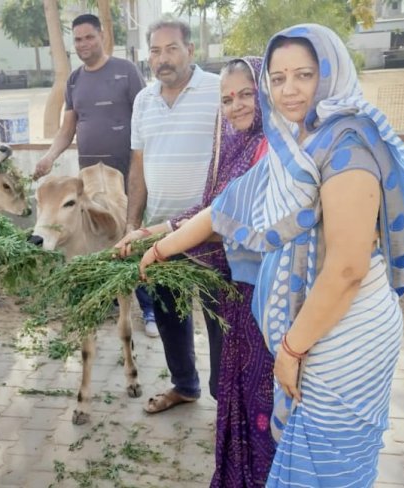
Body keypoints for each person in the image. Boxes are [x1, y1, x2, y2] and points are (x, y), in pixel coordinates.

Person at [139, 24, 404, 487]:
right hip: (317, 326)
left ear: (329, 74)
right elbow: (222, 208)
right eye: (279, 77)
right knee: (306, 464)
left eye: (304, 75)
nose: (289, 90)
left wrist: (290, 349)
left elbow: (348, 269)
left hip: (345, 331)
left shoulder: (346, 144)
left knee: (329, 465)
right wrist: (161, 247)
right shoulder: (298, 144)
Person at [118, 56, 275, 486]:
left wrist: (162, 247)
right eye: (227, 99)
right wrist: (151, 231)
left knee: (257, 395)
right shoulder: (231, 143)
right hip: (232, 287)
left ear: (265, 93)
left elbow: (229, 222)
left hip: (263, 295)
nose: (237, 106)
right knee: (235, 390)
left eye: (247, 94)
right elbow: (211, 207)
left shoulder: (272, 148)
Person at [119, 19, 223, 414]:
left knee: (219, 320)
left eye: (172, 48)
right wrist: (132, 226)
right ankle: (185, 385)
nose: (163, 59)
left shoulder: (218, 91)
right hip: (160, 234)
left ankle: (224, 398)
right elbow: (138, 167)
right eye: (156, 51)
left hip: (212, 234)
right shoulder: (144, 100)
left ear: (190, 50)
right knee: (168, 315)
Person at [31, 14, 158, 337]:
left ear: (102, 36)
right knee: (99, 238)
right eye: (77, 40)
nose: (83, 44)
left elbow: (145, 117)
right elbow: (67, 128)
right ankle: (108, 299)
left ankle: (149, 307)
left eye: (89, 37)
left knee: (135, 237)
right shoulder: (74, 81)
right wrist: (48, 157)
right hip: (89, 178)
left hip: (129, 175)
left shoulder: (125, 71)